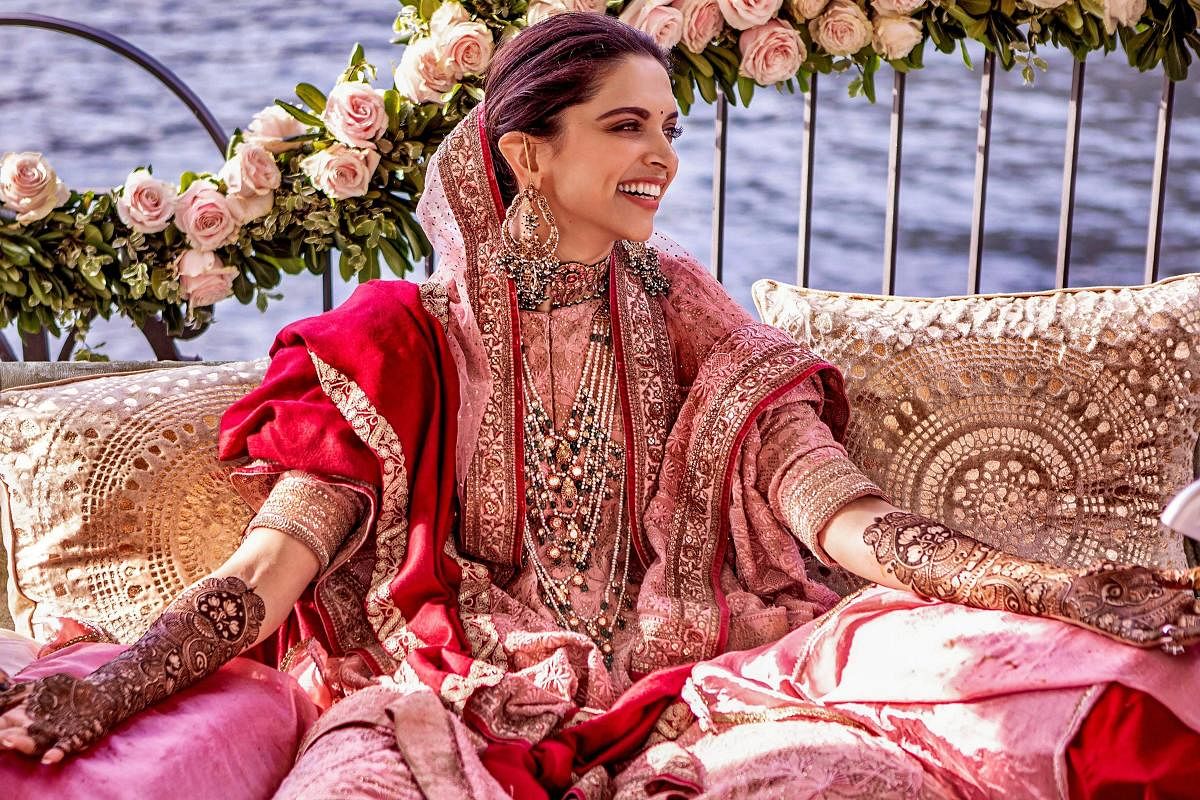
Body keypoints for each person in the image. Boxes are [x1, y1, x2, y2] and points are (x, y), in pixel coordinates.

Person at [2, 12, 1198, 799]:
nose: (663, 156)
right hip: (439, 701)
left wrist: (1039, 586)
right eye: (626, 125)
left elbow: (839, 514)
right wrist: (112, 683)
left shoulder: (683, 303)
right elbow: (273, 566)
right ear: (527, 153)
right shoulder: (402, 339)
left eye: (669, 128)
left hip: (694, 684)